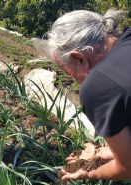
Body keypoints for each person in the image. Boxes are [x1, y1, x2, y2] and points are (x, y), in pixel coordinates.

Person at [47, 9, 131, 181]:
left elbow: (129, 168)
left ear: (79, 58)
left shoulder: (98, 85)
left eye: (67, 72)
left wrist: (89, 173)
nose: (73, 79)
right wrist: (102, 153)